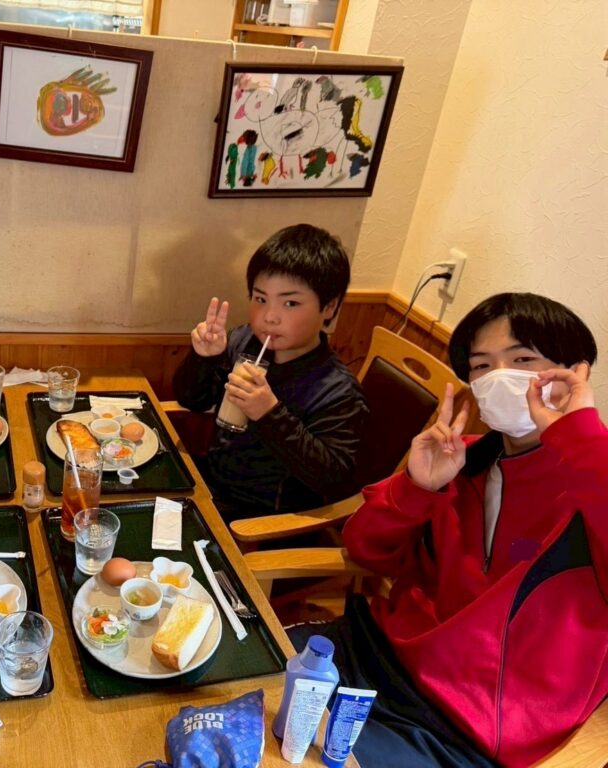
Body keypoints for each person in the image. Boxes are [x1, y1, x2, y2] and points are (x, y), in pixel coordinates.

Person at [289, 292, 605, 767]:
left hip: (457, 730)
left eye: (522, 360)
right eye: (482, 366)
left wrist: (577, 432)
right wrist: (418, 487)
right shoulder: (462, 458)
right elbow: (366, 550)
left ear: (576, 374)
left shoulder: (591, 486)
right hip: (370, 654)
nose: (500, 377)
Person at [172, 224, 368, 521]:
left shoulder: (338, 391)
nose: (269, 317)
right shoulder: (244, 341)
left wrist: (269, 414)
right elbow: (192, 400)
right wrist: (206, 359)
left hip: (261, 518)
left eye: (290, 303)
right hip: (209, 486)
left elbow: (333, 479)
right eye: (260, 299)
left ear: (329, 307)